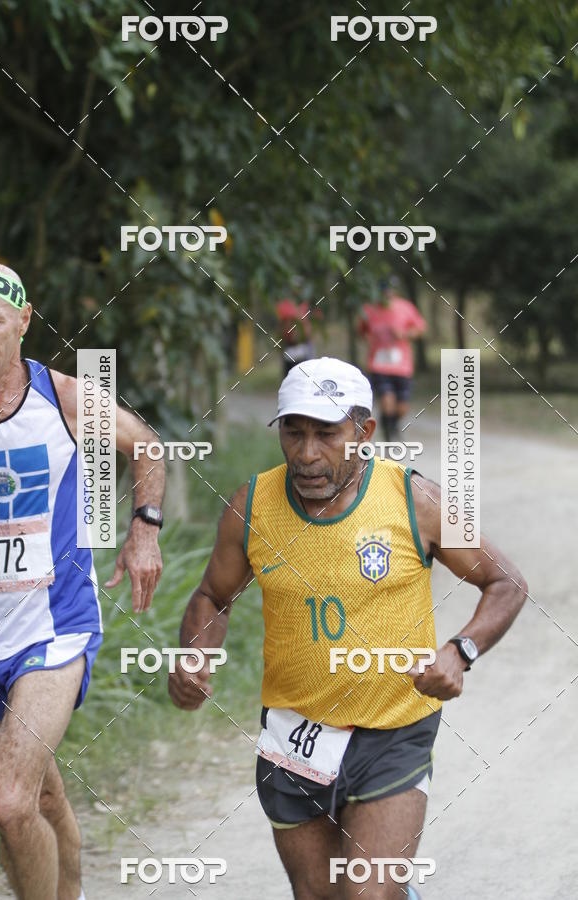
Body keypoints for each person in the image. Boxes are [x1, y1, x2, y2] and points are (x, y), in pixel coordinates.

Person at [168, 356, 527, 900]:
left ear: (364, 432)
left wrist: (460, 651)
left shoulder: (417, 499)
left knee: (368, 894)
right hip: (295, 733)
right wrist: (196, 655)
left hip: (394, 730)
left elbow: (506, 583)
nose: (308, 454)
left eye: (327, 434)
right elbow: (214, 597)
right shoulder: (251, 506)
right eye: (294, 432)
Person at [0, 262, 164, 900]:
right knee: (41, 796)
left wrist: (144, 531)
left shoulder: (63, 399)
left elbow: (146, 446)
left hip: (52, 631)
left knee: (7, 800)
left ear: (23, 323)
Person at [359, 278, 426, 441]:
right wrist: (370, 339)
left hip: (402, 366)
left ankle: (391, 424)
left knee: (402, 407)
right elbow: (361, 330)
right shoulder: (369, 309)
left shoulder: (405, 307)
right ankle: (390, 433)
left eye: (390, 289)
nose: (387, 293)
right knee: (387, 401)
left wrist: (405, 334)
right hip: (379, 365)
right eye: (383, 290)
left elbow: (420, 328)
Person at [276, 298, 317, 378]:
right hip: (290, 346)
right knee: (291, 376)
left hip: (303, 345)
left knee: (307, 374)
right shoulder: (282, 305)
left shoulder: (303, 303)